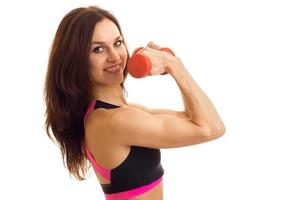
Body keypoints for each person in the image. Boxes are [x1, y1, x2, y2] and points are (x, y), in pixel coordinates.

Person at [44, 6, 225, 200]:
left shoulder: (120, 113)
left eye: (118, 43)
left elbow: (194, 118)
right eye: (98, 49)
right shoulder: (115, 121)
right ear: (77, 60)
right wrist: (174, 65)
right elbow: (211, 128)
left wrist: (170, 63)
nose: (115, 57)